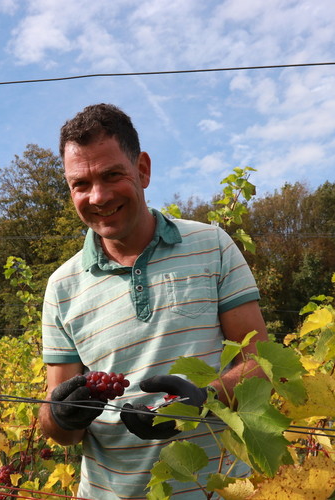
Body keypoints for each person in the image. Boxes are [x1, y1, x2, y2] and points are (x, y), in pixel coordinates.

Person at [38, 103, 268, 499]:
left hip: (215, 490)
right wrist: (59, 415)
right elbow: (62, 432)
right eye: (81, 184)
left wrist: (204, 398)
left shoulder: (211, 246)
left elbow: (261, 364)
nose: (98, 196)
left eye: (112, 175)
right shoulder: (62, 286)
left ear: (142, 169)